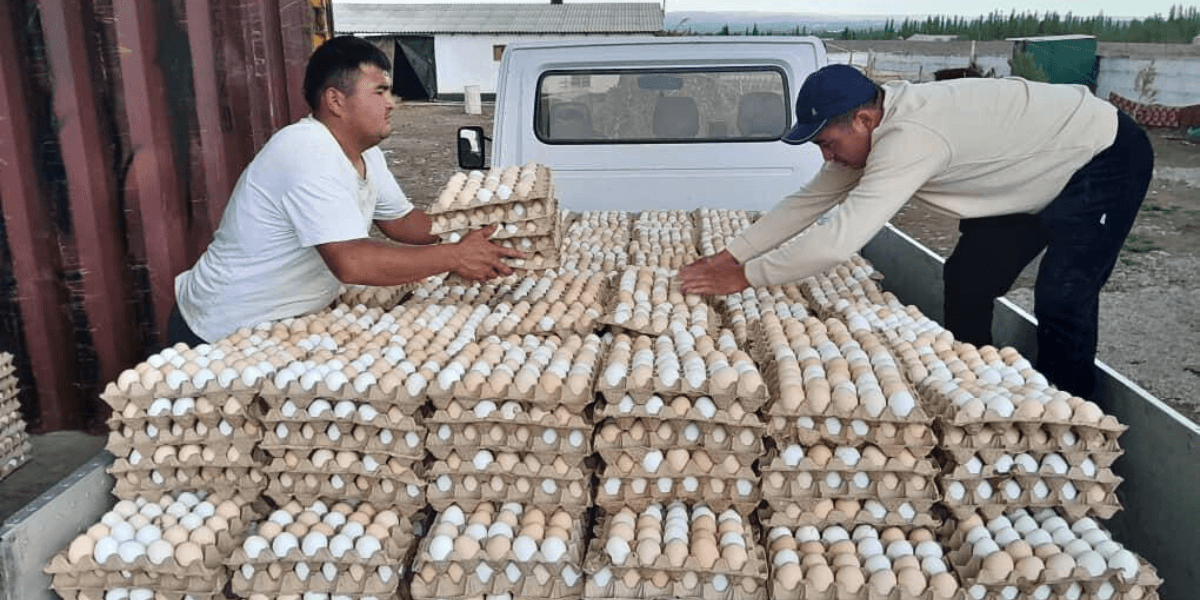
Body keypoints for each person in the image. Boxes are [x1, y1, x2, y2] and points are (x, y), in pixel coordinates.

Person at [679, 64, 1153, 399]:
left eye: (827, 142)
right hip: (1027, 171)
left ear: (864, 120)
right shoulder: (872, 127)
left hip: (1100, 154)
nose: (825, 156)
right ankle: (977, 386)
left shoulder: (910, 139)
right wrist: (730, 256)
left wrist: (746, 277)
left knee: (1063, 294)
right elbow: (809, 201)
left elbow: (841, 239)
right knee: (968, 279)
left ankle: (1069, 413)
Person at [170, 36, 522, 346]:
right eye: (379, 91)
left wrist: (475, 230)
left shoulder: (366, 154)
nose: (392, 103)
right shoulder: (305, 149)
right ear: (336, 101)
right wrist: (454, 256)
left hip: (274, 329)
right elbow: (351, 263)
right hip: (214, 331)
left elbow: (403, 222)